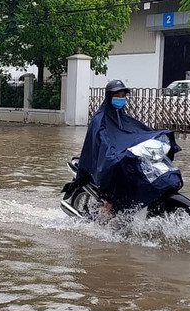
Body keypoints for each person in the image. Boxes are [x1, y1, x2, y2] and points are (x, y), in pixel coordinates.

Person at [73, 79, 182, 215]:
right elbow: (103, 142)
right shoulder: (99, 119)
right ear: (109, 97)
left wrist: (155, 137)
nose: (121, 99)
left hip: (123, 158)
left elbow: (137, 132)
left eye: (123, 96)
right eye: (117, 96)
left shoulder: (123, 116)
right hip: (106, 163)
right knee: (110, 202)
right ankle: (98, 231)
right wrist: (116, 154)